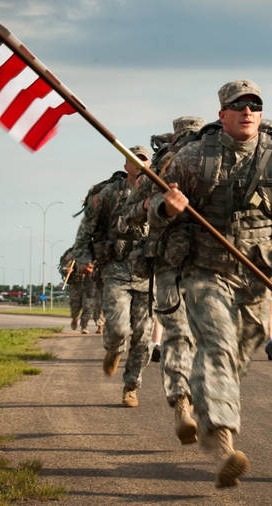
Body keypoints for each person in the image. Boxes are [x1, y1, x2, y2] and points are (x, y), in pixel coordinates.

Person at [147, 80, 272, 487]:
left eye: (254, 105)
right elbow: (151, 209)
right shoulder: (191, 158)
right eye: (238, 105)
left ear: (261, 114)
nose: (247, 111)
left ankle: (206, 410)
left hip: (255, 280)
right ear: (222, 114)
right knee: (218, 345)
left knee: (234, 357)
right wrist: (165, 207)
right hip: (204, 274)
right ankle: (225, 443)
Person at [128, 116, 206, 445]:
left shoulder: (218, 165)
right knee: (177, 333)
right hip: (170, 265)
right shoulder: (161, 169)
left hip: (212, 266)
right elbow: (133, 209)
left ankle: (203, 403)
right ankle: (182, 405)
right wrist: (161, 206)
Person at [72, 146, 155, 408]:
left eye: (144, 159)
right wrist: (83, 260)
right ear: (126, 164)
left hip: (147, 273)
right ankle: (114, 349)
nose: (140, 164)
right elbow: (86, 230)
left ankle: (131, 387)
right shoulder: (108, 195)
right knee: (119, 328)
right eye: (135, 160)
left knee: (143, 337)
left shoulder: (158, 193)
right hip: (116, 271)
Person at [59, 247, 91, 334]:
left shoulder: (93, 251)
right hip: (75, 283)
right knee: (75, 305)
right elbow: (63, 266)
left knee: (87, 306)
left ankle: (84, 326)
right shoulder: (72, 252)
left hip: (89, 283)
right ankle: (74, 318)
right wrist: (66, 270)